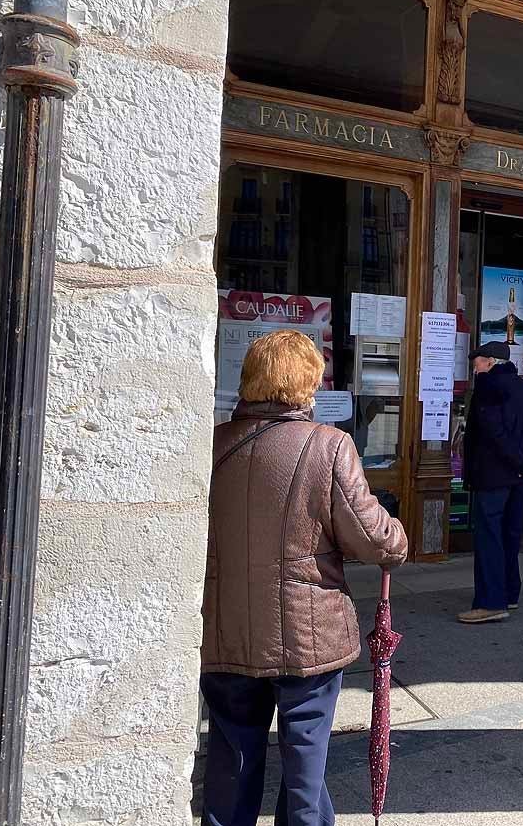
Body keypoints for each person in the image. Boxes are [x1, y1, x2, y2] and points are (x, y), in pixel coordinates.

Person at [200, 330, 408, 826]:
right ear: (306, 386)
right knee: (304, 774)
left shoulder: (210, 445)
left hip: (227, 633)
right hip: (306, 639)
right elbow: (375, 539)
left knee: (231, 763)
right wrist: (397, 536)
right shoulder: (328, 446)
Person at [458, 340, 523, 624]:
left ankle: (490, 602)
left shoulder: (487, 387)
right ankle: (510, 592)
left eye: (479, 360)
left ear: (492, 362)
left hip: (495, 476)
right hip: (519, 479)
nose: (475, 365)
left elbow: (493, 432)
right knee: (510, 535)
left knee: (489, 539)